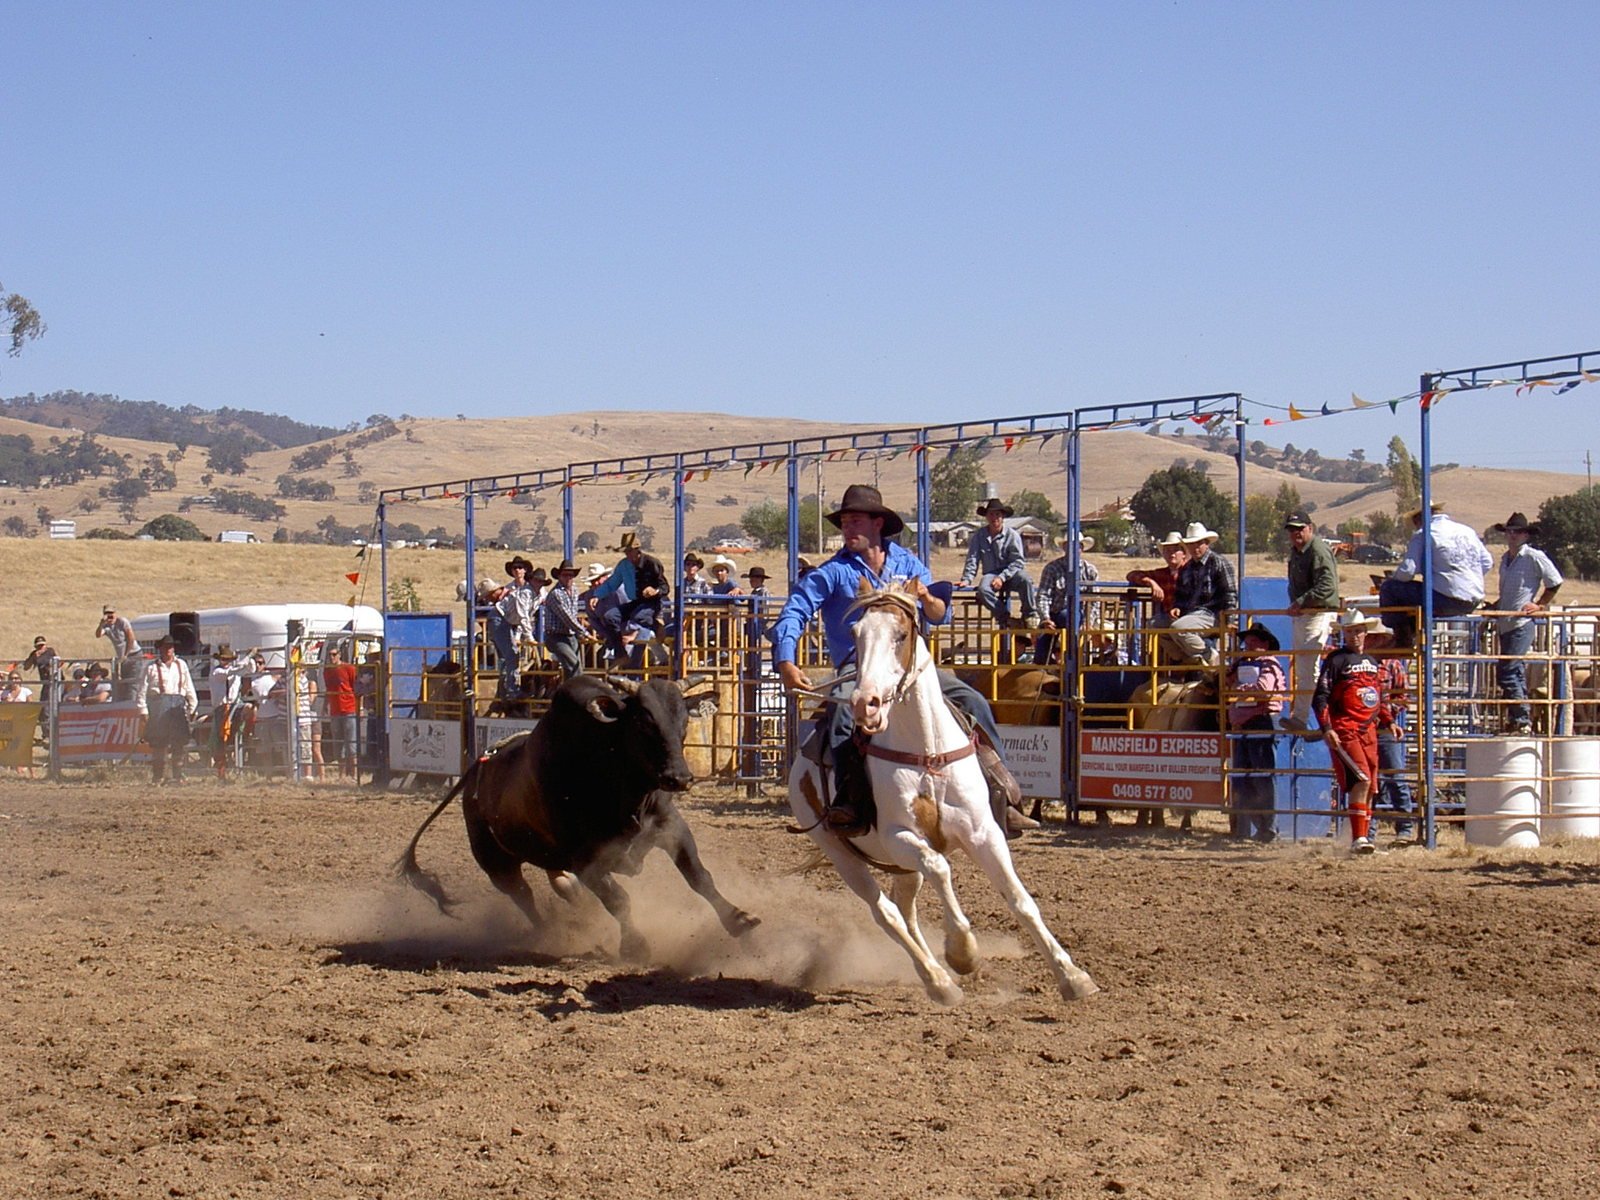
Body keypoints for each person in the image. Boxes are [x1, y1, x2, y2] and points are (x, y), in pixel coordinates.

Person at [770, 482, 1033, 838]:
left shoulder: (909, 564)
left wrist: (926, 597)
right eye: (845, 523)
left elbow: (941, 615)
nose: (848, 530)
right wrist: (786, 659)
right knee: (845, 713)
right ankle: (850, 798)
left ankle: (1002, 794)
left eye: (855, 522)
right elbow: (794, 611)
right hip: (859, 667)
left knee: (973, 700)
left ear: (878, 524)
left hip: (912, 667)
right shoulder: (831, 572)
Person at [1312, 608, 1397, 855]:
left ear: (1365, 633)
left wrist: (1388, 719)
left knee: (1370, 785)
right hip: (1345, 729)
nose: (1355, 636)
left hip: (1367, 730)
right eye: (1350, 631)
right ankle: (1360, 837)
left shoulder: (1371, 662)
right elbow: (1321, 696)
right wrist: (1327, 727)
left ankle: (1362, 838)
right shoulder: (1336, 661)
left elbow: (1376, 697)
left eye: (1358, 631)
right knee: (1361, 779)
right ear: (1344, 634)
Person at [1378, 502, 1492, 649]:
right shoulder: (1467, 531)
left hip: (1444, 599)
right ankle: (1411, 631)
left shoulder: (1424, 533)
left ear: (1418, 519)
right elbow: (1487, 562)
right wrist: (1466, 578)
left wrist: (1393, 578)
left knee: (1389, 588)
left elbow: (1407, 571)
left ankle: (1402, 639)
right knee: (1416, 601)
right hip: (1473, 599)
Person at [1491, 511, 1563, 735]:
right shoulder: (1506, 559)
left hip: (1521, 623)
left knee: (1508, 671)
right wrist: (1494, 608)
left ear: (1525, 535)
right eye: (1510, 531)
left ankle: (1521, 718)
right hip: (1507, 621)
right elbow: (1509, 591)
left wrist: (1539, 605)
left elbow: (1555, 582)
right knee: (1514, 671)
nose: (1513, 535)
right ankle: (1519, 719)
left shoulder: (1533, 556)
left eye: (1517, 532)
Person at [1225, 623, 1287, 842]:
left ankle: (1267, 827)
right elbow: (1226, 682)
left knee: (1261, 776)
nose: (1249, 645)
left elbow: (1265, 689)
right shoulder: (1241, 664)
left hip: (1261, 720)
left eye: (1254, 641)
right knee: (1244, 778)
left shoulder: (1269, 664)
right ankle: (1256, 827)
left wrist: (1240, 689)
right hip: (1244, 723)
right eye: (1247, 641)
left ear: (1265, 644)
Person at [1281, 513, 1340, 732]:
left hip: (1318, 613)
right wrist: (1297, 603)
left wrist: (1300, 602)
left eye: (1299, 528)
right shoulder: (1298, 552)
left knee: (1308, 668)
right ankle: (1310, 719)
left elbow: (1327, 585)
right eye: (1291, 529)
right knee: (1305, 666)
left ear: (1309, 528)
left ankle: (1306, 719)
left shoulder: (1317, 549)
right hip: (1307, 613)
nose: (1295, 533)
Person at [958, 496, 1039, 631]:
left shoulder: (1012, 535)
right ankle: (1005, 618)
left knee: (1026, 580)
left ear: (1002, 517)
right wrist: (967, 579)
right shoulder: (979, 536)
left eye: (998, 514)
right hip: (991, 574)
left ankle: (1030, 615)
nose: (994, 517)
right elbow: (973, 558)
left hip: (1012, 573)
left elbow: (1018, 562)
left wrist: (1002, 577)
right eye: (991, 514)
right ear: (986, 517)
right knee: (983, 590)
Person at [1365, 625, 1415, 842]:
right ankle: (1369, 829)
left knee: (1395, 777)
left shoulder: (1392, 665)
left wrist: (1388, 714)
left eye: (1378, 638)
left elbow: (1403, 697)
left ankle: (1404, 827)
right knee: (1368, 779)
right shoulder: (1361, 664)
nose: (1375, 642)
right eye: (1372, 638)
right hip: (1366, 728)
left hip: (1384, 727)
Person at [1163, 522, 1237, 667]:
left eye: (1198, 544)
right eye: (1191, 544)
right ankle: (1184, 657)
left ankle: (1208, 656)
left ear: (1207, 543)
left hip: (1212, 614)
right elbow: (1182, 594)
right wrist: (1177, 606)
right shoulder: (1188, 567)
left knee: (1180, 628)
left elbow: (1229, 592)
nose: (1195, 548)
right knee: (1155, 625)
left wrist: (1230, 619)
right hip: (1191, 615)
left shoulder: (1219, 562)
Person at [589, 532, 670, 660]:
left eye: (629, 551)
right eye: (626, 551)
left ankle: (655, 625)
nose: (627, 554)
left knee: (638, 616)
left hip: (652, 603)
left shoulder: (652, 563)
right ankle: (621, 652)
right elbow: (612, 583)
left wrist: (655, 591)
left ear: (637, 549)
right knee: (610, 616)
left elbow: (665, 587)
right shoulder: (624, 565)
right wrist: (597, 595)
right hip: (635, 602)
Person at [136, 635, 198, 785]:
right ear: (160, 649)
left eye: (170, 647)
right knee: (159, 743)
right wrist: (143, 710)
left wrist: (193, 705)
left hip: (177, 704)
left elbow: (188, 686)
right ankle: (158, 776)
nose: (168, 650)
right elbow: (142, 691)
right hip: (158, 704)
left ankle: (178, 775)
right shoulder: (151, 667)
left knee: (179, 743)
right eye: (165, 647)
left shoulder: (181, 665)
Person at [1034, 532, 1099, 665]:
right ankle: (1047, 668)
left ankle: (1074, 662)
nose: (1074, 549)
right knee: (1042, 648)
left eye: (1077, 546)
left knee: (1070, 618)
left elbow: (1094, 600)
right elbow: (1043, 595)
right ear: (1064, 547)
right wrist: (1046, 619)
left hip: (1079, 617)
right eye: (1070, 546)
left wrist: (1088, 622)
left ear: (1082, 549)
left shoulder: (1090, 570)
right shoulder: (1052, 568)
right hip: (1055, 615)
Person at [491, 557, 539, 698]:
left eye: (520, 567)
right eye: (515, 568)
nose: (517, 570)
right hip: (501, 620)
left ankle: (509, 688)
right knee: (510, 656)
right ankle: (510, 690)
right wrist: (528, 637)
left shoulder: (534, 594)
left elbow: (522, 617)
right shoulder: (518, 591)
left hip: (509, 622)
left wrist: (519, 636)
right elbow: (522, 614)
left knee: (511, 657)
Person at [207, 644, 257, 779]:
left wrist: (250, 659)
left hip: (235, 705)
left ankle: (246, 734)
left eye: (228, 659)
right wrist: (249, 656)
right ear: (219, 660)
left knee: (250, 709)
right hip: (222, 708)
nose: (226, 662)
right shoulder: (216, 672)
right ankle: (221, 773)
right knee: (221, 740)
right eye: (224, 659)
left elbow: (250, 668)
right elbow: (233, 671)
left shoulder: (235, 670)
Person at [542, 559, 597, 680]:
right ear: (559, 576)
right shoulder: (556, 594)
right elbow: (567, 617)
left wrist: (580, 632)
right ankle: (578, 694)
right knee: (574, 665)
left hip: (570, 635)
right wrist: (584, 633)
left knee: (573, 668)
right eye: (565, 575)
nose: (568, 578)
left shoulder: (575, 590)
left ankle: (568, 694)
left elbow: (572, 614)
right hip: (556, 636)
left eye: (571, 575)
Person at [322, 643, 360, 781]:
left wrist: (359, 707)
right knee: (338, 743)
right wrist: (326, 705)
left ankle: (354, 775)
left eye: (333, 654)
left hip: (349, 708)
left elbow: (355, 687)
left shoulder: (349, 668)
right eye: (329, 655)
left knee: (351, 743)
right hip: (335, 710)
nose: (331, 657)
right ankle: (342, 774)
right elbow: (328, 689)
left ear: (339, 654)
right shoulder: (327, 671)